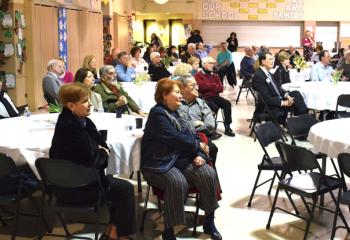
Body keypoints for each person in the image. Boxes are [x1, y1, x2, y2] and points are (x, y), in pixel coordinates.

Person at [49, 83, 136, 240]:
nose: (90, 104)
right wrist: (102, 152)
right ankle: (120, 234)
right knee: (125, 189)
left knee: (117, 186)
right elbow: (96, 160)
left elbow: (99, 146)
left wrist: (100, 150)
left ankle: (113, 230)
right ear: (71, 106)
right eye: (85, 101)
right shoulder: (70, 127)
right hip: (77, 188)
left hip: (71, 182)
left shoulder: (80, 121)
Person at [141, 78, 221, 240]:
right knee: (177, 182)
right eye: (177, 92)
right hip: (159, 162)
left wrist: (200, 155)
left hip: (179, 159)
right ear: (164, 95)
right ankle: (169, 231)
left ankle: (209, 221)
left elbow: (192, 136)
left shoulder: (179, 113)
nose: (180, 95)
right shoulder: (157, 115)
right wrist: (199, 148)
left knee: (208, 173)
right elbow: (175, 139)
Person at [252, 52, 308, 124]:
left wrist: (287, 96)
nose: (273, 61)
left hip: (276, 98)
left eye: (273, 59)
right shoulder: (259, 76)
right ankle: (302, 123)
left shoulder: (267, 73)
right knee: (298, 104)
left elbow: (277, 88)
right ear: (263, 61)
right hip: (270, 105)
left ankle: (301, 121)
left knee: (296, 94)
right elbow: (266, 98)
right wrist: (283, 103)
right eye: (270, 59)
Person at [194, 57, 235, 137]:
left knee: (227, 104)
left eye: (213, 63)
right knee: (214, 107)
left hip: (215, 96)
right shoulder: (198, 75)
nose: (212, 65)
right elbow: (201, 87)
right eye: (210, 63)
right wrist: (214, 86)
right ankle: (211, 129)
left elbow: (221, 88)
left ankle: (227, 127)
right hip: (204, 98)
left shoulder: (215, 75)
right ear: (204, 64)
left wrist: (209, 86)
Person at [177, 74, 221, 143]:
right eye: (193, 85)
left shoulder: (201, 103)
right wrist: (196, 123)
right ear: (182, 88)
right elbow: (176, 128)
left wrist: (189, 128)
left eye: (197, 85)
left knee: (213, 149)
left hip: (200, 140)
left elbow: (210, 126)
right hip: (180, 142)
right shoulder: (176, 104)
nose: (197, 88)